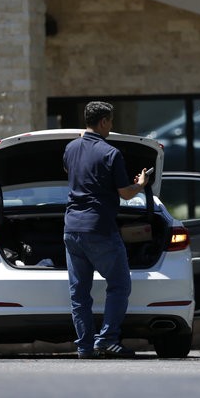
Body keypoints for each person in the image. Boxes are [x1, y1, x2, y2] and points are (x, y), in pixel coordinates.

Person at [63, 101, 149, 359]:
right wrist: (141, 184)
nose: (111, 126)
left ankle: (84, 347)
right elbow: (124, 193)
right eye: (110, 121)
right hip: (99, 228)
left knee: (79, 293)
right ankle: (108, 339)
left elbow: (73, 172)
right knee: (119, 285)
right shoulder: (111, 153)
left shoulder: (70, 148)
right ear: (103, 122)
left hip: (71, 229)